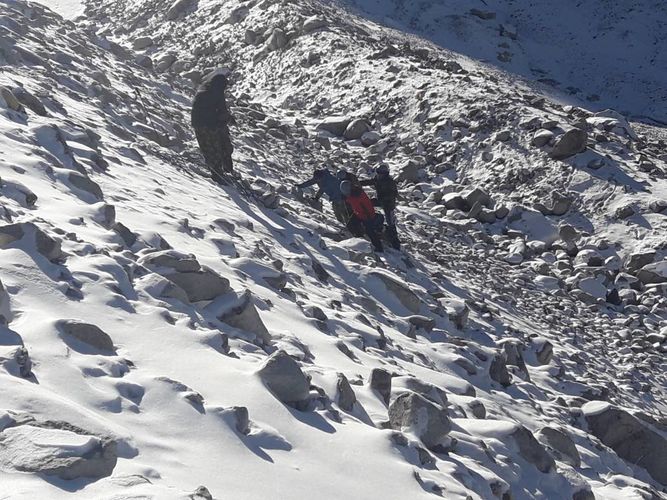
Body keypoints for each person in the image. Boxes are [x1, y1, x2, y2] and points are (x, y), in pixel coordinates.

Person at [191, 70, 234, 180]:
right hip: (210, 125)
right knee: (217, 147)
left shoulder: (203, 90)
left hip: (197, 124)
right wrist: (229, 118)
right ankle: (221, 172)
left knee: (207, 148)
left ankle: (216, 170)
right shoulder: (217, 93)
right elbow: (222, 112)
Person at [360, 164, 400, 250]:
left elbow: (393, 194)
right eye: (378, 172)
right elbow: (370, 182)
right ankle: (374, 224)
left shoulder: (390, 182)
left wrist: (384, 198)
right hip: (380, 201)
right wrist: (359, 183)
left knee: (390, 222)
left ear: (385, 173)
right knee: (367, 204)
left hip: (388, 204)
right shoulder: (378, 179)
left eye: (381, 173)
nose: (379, 174)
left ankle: (395, 242)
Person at [340, 180, 384, 252]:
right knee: (350, 225)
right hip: (358, 213)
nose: (346, 193)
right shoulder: (352, 194)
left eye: (346, 192)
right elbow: (351, 201)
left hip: (367, 215)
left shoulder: (358, 194)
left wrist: (368, 217)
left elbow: (367, 206)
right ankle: (358, 238)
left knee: (370, 231)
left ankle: (379, 248)